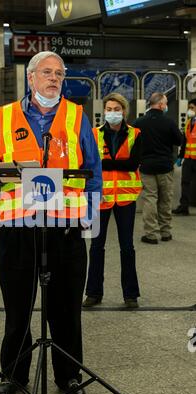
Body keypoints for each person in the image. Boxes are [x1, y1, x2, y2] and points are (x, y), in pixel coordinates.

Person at [0, 51, 102, 394]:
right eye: (47, 72)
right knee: (17, 307)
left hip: (65, 228)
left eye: (59, 74)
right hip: (18, 227)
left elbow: (92, 171)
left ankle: (69, 376)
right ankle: (14, 374)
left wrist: (89, 218)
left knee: (66, 308)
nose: (54, 79)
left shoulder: (77, 117)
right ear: (30, 77)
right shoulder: (6, 117)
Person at [82, 93, 142, 309]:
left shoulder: (136, 134)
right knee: (96, 246)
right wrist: (116, 163)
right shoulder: (93, 134)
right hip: (100, 198)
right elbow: (89, 164)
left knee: (127, 247)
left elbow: (133, 164)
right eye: (109, 108)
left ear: (124, 111)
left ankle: (131, 295)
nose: (112, 112)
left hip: (126, 199)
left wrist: (105, 163)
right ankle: (93, 293)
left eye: (116, 108)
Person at [133, 92, 182, 244]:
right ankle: (166, 232)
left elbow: (132, 143)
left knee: (150, 199)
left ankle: (151, 235)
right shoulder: (169, 122)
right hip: (165, 167)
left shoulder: (139, 122)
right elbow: (179, 141)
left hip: (146, 167)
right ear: (161, 105)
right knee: (165, 199)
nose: (166, 106)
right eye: (165, 103)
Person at [172, 98, 196, 216]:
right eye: (189, 108)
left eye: (192, 108)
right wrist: (180, 156)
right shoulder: (188, 122)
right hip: (189, 159)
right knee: (185, 182)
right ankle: (184, 207)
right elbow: (185, 141)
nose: (189, 111)